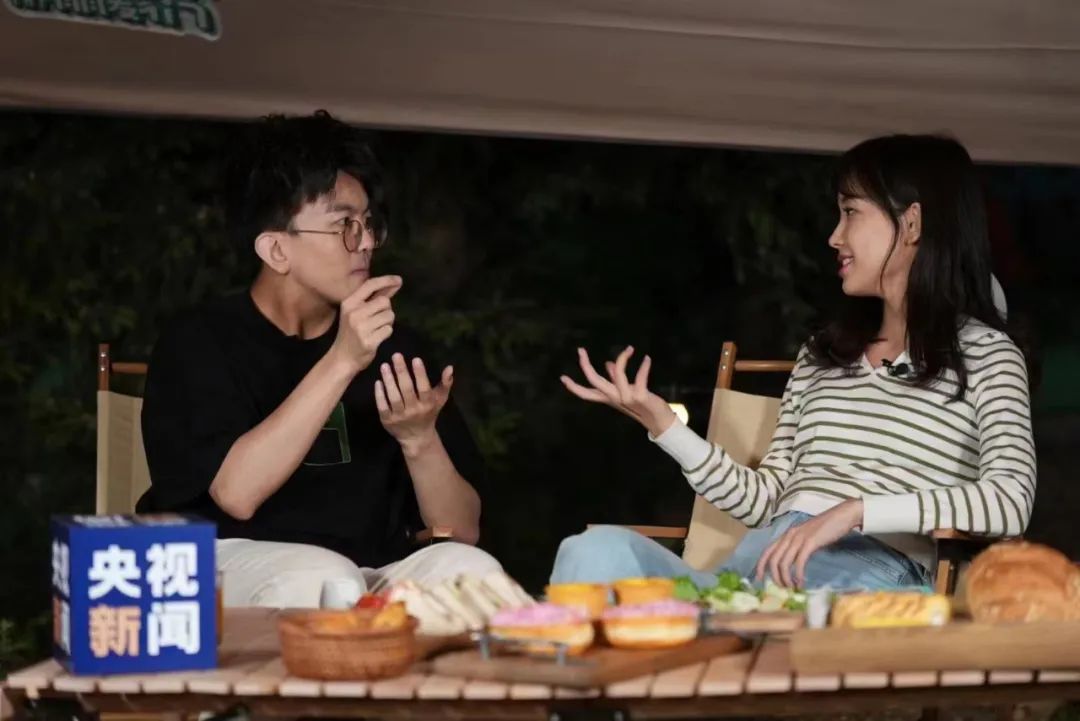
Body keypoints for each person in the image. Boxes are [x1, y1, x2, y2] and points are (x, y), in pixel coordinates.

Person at [551, 134, 1035, 591]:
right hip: (756, 566)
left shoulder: (987, 355)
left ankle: (738, 637)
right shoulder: (823, 355)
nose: (834, 237)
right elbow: (765, 501)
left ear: (911, 224)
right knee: (593, 550)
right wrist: (664, 426)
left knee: (790, 622)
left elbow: (1010, 499)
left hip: (868, 578)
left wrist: (857, 512)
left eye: (850, 212)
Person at [138, 110, 500, 607]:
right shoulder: (201, 342)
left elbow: (461, 532)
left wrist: (419, 439)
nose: (366, 242)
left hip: (368, 571)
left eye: (368, 223)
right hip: (224, 563)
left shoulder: (394, 347)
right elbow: (236, 494)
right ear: (276, 250)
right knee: (323, 578)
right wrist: (342, 360)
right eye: (344, 225)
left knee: (474, 575)